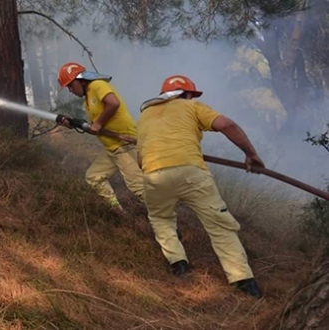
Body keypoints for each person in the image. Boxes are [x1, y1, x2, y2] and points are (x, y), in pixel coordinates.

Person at [136, 75, 264, 298]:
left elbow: (140, 159)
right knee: (220, 226)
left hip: (153, 174)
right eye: (191, 94)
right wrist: (251, 154)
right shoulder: (191, 105)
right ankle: (244, 282)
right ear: (186, 94)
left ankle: (179, 265)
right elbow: (227, 124)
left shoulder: (145, 115)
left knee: (161, 219)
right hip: (191, 172)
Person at [57, 62, 144, 210]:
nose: (71, 90)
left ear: (81, 80)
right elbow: (94, 127)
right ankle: (116, 212)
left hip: (124, 143)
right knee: (94, 177)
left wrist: (97, 124)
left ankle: (167, 222)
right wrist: (73, 123)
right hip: (112, 148)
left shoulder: (97, 85)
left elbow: (113, 103)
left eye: (71, 86)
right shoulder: (88, 100)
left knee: (139, 188)